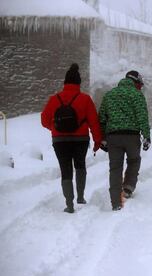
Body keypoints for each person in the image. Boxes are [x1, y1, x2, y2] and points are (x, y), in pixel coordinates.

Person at [41, 63, 102, 213]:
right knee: (80, 165)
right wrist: (97, 141)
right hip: (81, 139)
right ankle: (80, 197)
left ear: (65, 82)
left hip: (60, 141)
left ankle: (69, 204)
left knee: (65, 169)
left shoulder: (54, 99)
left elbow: (44, 120)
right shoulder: (85, 99)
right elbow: (94, 122)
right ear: (78, 83)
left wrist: (55, 128)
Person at [99, 70, 151, 211]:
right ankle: (127, 188)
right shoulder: (137, 95)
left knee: (115, 168)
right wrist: (146, 136)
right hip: (132, 137)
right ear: (136, 82)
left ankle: (116, 202)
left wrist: (102, 138)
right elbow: (142, 117)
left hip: (113, 137)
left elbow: (102, 119)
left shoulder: (109, 95)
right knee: (134, 160)